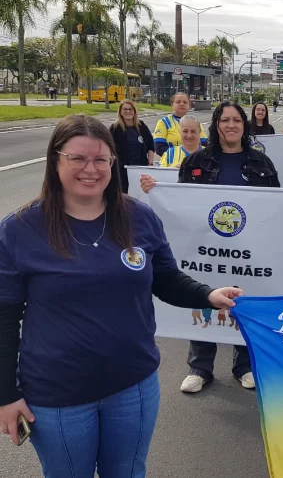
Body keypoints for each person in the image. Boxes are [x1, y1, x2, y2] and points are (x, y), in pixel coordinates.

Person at [0, 114, 242, 474]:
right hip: (57, 396)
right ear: (55, 160)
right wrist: (6, 394)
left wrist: (208, 294)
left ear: (113, 163)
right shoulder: (20, 229)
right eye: (77, 158)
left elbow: (165, 279)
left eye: (101, 159)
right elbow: (4, 318)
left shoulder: (139, 218)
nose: (90, 169)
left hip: (134, 387)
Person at [140, 102, 283, 394]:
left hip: (249, 249)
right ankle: (200, 367)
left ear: (244, 126)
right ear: (216, 125)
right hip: (206, 249)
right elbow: (180, 204)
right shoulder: (195, 162)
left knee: (245, 301)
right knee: (203, 296)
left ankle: (244, 365)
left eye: (236, 121)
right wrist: (156, 190)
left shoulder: (261, 163)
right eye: (225, 120)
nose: (231, 125)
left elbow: (275, 204)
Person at [110, 99, 154, 193]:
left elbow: (150, 146)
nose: (128, 111)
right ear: (120, 112)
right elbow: (109, 150)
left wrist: (150, 164)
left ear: (134, 111)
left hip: (141, 169)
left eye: (130, 109)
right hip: (122, 171)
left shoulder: (141, 126)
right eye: (125, 109)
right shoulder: (115, 128)